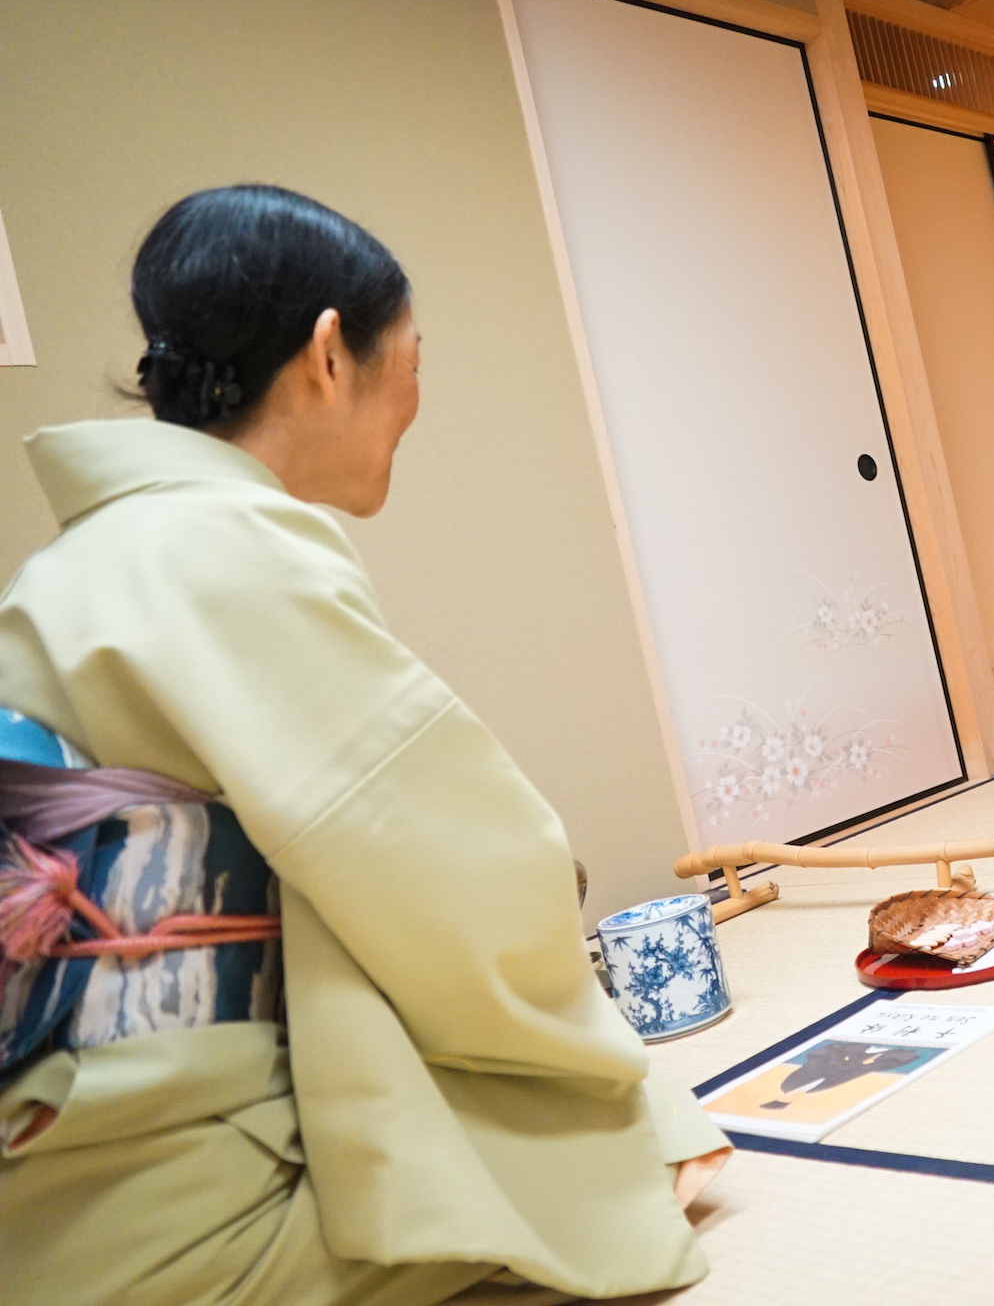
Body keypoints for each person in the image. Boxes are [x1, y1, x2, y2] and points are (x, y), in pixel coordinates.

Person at [0, 186, 729, 1306]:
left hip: (57, 1154)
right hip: (171, 1192)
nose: (417, 396)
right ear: (330, 352)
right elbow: (459, 883)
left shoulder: (80, 563)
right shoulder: (220, 546)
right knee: (629, 1176)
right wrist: (636, 1100)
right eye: (415, 357)